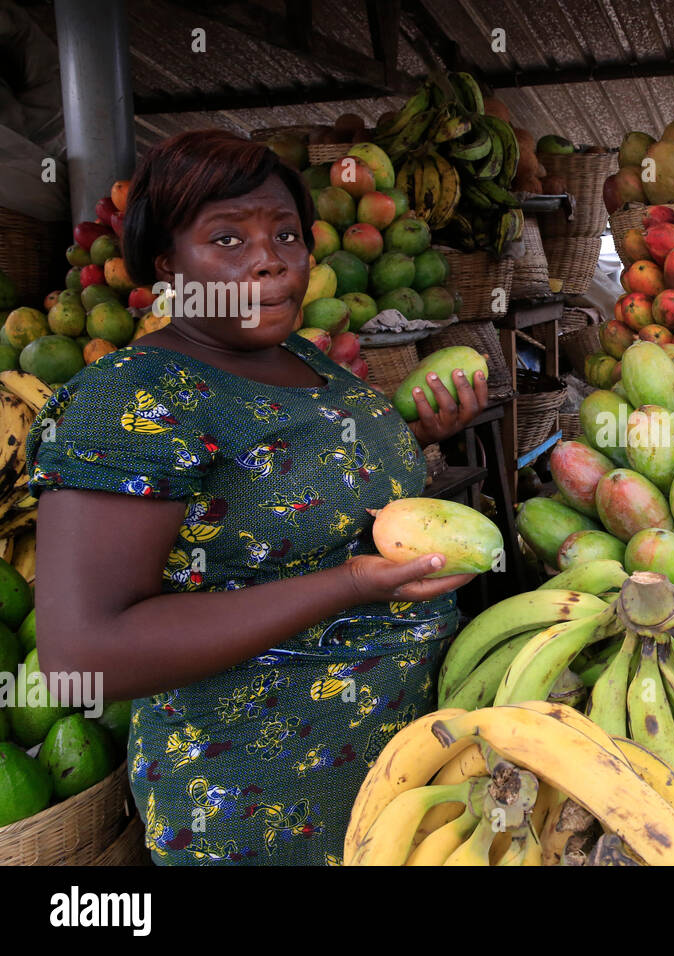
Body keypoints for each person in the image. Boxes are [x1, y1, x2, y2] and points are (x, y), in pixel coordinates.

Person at [25, 130, 489, 865]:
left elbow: (299, 494)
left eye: (285, 233)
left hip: (402, 771)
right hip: (260, 805)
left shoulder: (300, 356)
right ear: (165, 264)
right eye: (228, 238)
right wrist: (345, 586)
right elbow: (86, 652)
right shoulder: (128, 402)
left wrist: (413, 436)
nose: (270, 257)